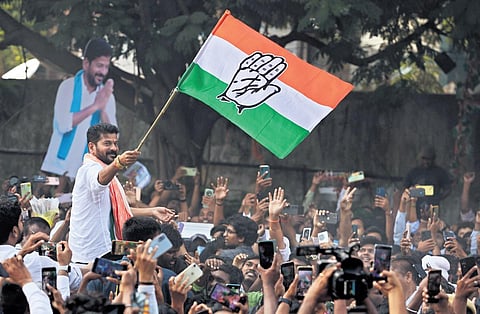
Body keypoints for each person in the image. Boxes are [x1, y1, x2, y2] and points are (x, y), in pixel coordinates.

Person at [69, 123, 175, 263]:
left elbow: (118, 210)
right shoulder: (88, 169)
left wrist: (152, 211)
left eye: (115, 143)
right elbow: (99, 181)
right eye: (107, 143)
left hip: (112, 251)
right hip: (90, 256)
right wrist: (118, 163)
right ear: (92, 147)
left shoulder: (110, 174)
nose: (113, 148)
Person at [41, 38, 117, 182]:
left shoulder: (107, 96)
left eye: (106, 67)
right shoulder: (67, 87)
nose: (103, 72)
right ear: (86, 63)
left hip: (86, 172)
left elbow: (113, 137)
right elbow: (63, 125)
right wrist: (95, 106)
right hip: (57, 168)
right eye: (99, 66)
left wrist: (103, 108)